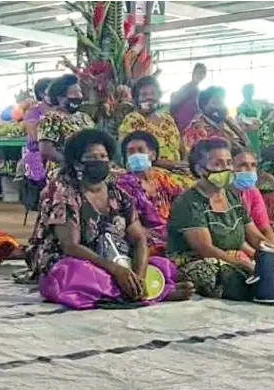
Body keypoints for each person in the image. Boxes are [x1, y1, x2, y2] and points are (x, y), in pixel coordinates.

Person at [28, 129, 194, 310]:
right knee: (72, 274)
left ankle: (134, 288)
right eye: (91, 157)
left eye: (103, 156)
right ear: (77, 162)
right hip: (70, 260)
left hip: (114, 259)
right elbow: (71, 246)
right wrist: (116, 271)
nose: (99, 161)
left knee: (161, 264)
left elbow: (139, 238)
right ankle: (155, 292)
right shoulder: (64, 191)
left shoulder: (118, 193)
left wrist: (138, 274)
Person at [167, 138, 268, 300]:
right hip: (197, 261)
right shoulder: (188, 202)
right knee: (221, 273)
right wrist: (246, 265)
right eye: (218, 164)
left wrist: (273, 255)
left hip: (233, 258)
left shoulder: (233, 197)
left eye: (229, 163)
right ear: (200, 169)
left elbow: (253, 237)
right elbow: (206, 249)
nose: (227, 169)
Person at [116, 131, 183, 256]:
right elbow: (129, 224)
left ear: (152, 155)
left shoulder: (161, 177)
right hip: (145, 239)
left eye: (141, 150)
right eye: (130, 152)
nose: (136, 155)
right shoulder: (123, 184)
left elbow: (182, 200)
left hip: (171, 234)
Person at [119, 76, 185, 170]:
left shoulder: (167, 118)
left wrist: (186, 163)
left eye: (153, 94)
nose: (149, 97)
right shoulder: (132, 120)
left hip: (179, 169)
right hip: (150, 171)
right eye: (144, 94)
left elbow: (181, 146)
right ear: (137, 99)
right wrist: (170, 164)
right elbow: (128, 154)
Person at [38, 74, 94, 180]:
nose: (79, 96)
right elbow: (45, 149)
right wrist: (70, 163)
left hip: (87, 170)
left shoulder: (84, 117)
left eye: (80, 92)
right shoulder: (51, 117)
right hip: (63, 173)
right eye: (74, 93)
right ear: (60, 97)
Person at [183, 86, 247, 155]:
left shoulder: (226, 122)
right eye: (216, 102)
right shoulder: (196, 128)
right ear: (203, 106)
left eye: (222, 102)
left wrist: (229, 122)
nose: (221, 106)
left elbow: (245, 142)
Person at [23, 78, 54, 183]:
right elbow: (35, 136)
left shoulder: (60, 111)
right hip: (38, 160)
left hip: (54, 159)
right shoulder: (33, 112)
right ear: (41, 94)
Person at [170, 63, 207, 133]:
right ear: (193, 73)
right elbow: (174, 103)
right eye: (199, 72)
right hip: (181, 123)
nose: (201, 75)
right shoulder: (188, 87)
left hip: (190, 124)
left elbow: (195, 107)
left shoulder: (197, 89)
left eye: (203, 73)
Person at [237, 84, 262, 155]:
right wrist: (252, 122)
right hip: (247, 132)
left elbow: (259, 118)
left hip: (257, 132)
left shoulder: (257, 104)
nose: (250, 93)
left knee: (256, 148)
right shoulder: (241, 106)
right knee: (249, 149)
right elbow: (241, 120)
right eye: (248, 92)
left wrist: (256, 122)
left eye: (251, 91)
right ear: (243, 93)